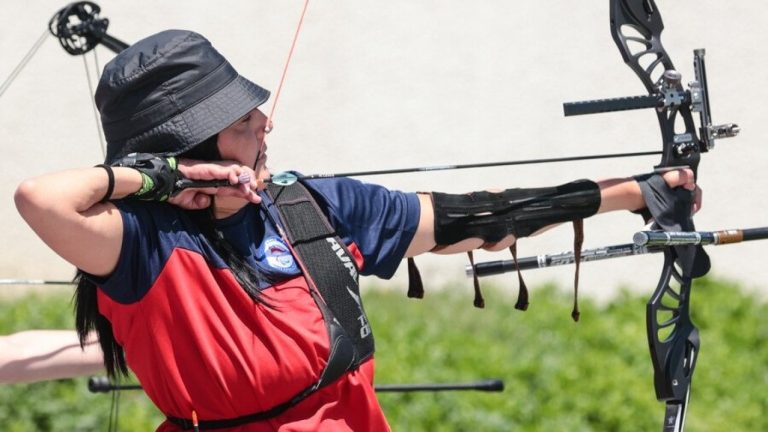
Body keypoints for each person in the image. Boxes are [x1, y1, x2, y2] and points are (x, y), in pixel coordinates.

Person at [13, 30, 699, 431]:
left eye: (258, 110)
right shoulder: (139, 243)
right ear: (192, 146)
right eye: (242, 121)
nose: (265, 125)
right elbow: (40, 198)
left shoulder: (308, 204)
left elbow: (472, 217)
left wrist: (634, 193)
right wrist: (159, 179)